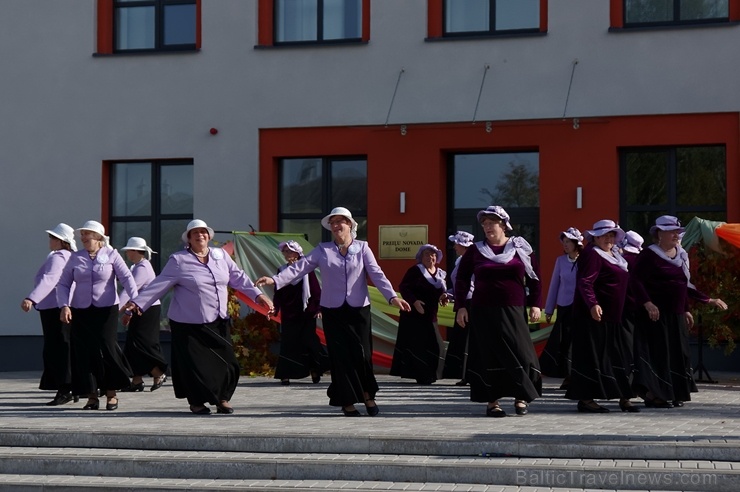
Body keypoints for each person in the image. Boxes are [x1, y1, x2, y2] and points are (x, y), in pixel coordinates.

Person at [256, 207, 411, 417]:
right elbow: (300, 267)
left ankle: (368, 394)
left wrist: (392, 297)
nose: (337, 226)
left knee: (363, 354)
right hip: (333, 311)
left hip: (359, 310)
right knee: (340, 357)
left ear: (350, 225)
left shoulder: (363, 248)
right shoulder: (323, 249)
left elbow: (377, 273)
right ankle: (346, 401)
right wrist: (275, 279)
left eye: (341, 221)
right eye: (333, 222)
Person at [126, 219, 274, 415]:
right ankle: (197, 402)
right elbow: (159, 284)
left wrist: (259, 295)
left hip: (218, 321)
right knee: (194, 368)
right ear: (189, 238)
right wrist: (137, 303)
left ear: (209, 235)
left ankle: (222, 398)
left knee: (228, 363)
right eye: (194, 233)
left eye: (203, 232)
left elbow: (238, 277)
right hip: (188, 324)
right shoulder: (179, 260)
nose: (199, 235)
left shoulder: (221, 256)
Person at [631, 216, 727, 408]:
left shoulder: (681, 254)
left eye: (677, 231)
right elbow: (635, 281)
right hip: (655, 315)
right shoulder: (649, 255)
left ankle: (675, 392)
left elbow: (684, 286)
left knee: (677, 353)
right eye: (671, 231)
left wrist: (702, 302)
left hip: (675, 314)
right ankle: (653, 395)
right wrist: (648, 303)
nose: (676, 234)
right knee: (658, 354)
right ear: (659, 234)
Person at [454, 205, 542, 417]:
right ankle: (492, 402)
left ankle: (521, 397)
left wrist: (536, 304)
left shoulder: (520, 248)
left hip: (514, 309)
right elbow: (462, 279)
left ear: (503, 224)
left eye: (491, 222)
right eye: (484, 224)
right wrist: (461, 307)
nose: (486, 227)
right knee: (488, 355)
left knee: (520, 352)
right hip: (483, 311)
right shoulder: (475, 250)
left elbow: (535, 278)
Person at [56, 220, 138, 411]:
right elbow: (63, 284)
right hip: (81, 310)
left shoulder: (112, 254)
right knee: (84, 352)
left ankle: (111, 392)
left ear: (99, 237)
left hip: (106, 308)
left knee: (107, 347)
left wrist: (135, 301)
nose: (83, 237)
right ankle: (91, 396)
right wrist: (64, 305)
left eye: (87, 234)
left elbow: (126, 278)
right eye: (82, 234)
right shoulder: (76, 257)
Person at [565, 219, 637, 413]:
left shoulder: (615, 255)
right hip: (593, 316)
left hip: (613, 316)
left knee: (616, 356)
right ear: (595, 237)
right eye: (604, 235)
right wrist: (593, 304)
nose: (608, 238)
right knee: (593, 357)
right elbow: (585, 283)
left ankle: (624, 396)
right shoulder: (592, 255)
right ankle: (586, 399)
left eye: (611, 235)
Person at [21, 223, 79, 406]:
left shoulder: (58, 258)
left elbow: (50, 280)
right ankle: (72, 388)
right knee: (65, 346)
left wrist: (32, 298)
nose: (50, 240)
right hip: (62, 307)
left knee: (58, 348)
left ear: (61, 241)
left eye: (53, 237)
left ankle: (65, 389)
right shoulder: (69, 257)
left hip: (55, 308)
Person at [271, 240, 329, 386]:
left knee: (309, 341)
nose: (286, 254)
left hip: (306, 313)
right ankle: (285, 374)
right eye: (285, 252)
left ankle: (315, 369)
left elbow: (316, 291)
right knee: (289, 343)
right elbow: (278, 292)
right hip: (289, 313)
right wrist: (275, 308)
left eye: (289, 251)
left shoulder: (307, 270)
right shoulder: (282, 270)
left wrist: (319, 309)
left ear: (297, 253)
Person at [390, 244, 448, 385]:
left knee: (436, 344)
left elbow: (441, 291)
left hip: (430, 314)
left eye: (433, 255)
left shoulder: (440, 273)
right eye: (427, 255)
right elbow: (404, 287)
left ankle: (432, 373)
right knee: (418, 345)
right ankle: (423, 375)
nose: (430, 257)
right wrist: (414, 302)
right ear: (421, 257)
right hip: (414, 314)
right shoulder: (415, 271)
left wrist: (444, 297)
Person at [118, 237, 168, 392]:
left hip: (147, 310)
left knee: (141, 343)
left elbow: (130, 291)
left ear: (135, 251)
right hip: (140, 309)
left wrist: (117, 309)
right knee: (132, 344)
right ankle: (137, 379)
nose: (127, 254)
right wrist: (127, 312)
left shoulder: (142, 268)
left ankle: (157, 372)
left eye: (128, 251)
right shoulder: (138, 266)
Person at [539, 227, 583, 389]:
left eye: (568, 242)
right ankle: (565, 374)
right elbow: (554, 286)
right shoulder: (560, 261)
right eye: (563, 242)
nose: (565, 245)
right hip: (564, 307)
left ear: (576, 243)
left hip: (580, 307)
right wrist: (549, 310)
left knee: (575, 342)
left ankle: (573, 375)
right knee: (562, 342)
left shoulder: (585, 260)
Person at [442, 231, 475, 385]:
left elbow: (470, 285)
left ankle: (469, 374)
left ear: (462, 245)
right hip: (463, 301)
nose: (454, 246)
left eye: (456, 243)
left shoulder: (471, 260)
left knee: (468, 339)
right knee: (463, 339)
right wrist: (450, 294)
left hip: (470, 303)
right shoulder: (461, 260)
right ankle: (466, 374)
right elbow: (459, 285)